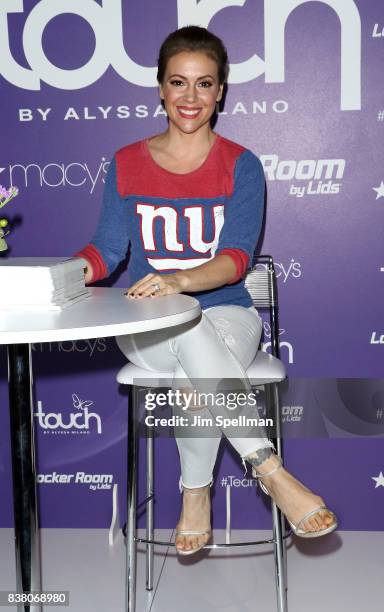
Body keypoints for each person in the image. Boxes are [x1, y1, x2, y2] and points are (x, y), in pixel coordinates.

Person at [76, 26, 337, 555]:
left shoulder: (240, 165)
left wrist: (180, 281)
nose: (190, 97)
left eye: (204, 84)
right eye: (178, 83)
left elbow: (237, 258)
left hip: (227, 316)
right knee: (190, 343)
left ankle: (194, 496)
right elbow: (106, 252)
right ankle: (271, 471)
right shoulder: (126, 162)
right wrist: (60, 275)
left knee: (195, 364)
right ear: (160, 88)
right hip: (148, 323)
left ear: (221, 91)